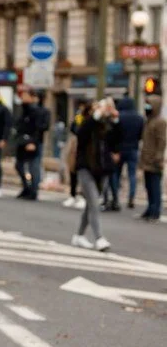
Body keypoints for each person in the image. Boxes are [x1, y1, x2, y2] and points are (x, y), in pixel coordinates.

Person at [71, 98, 119, 251]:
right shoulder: (84, 123)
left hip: (102, 169)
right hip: (86, 167)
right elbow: (82, 133)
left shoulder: (105, 125)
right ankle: (99, 238)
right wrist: (96, 115)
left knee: (91, 204)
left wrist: (115, 118)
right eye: (96, 107)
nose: (100, 110)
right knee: (94, 203)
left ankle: (78, 236)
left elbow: (117, 139)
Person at [108, 97, 144, 211]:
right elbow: (140, 135)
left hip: (120, 149)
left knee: (116, 174)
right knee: (132, 175)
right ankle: (131, 197)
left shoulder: (120, 117)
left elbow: (114, 132)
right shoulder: (139, 118)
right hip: (133, 148)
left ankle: (115, 197)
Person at [14, 88, 48, 200]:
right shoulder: (23, 109)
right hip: (22, 141)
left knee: (34, 167)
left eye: (25, 95)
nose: (22, 97)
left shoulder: (38, 110)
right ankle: (26, 188)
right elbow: (19, 124)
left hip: (33, 142)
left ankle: (33, 190)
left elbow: (39, 128)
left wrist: (33, 141)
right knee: (19, 165)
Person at [139, 95, 165, 222]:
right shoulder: (148, 121)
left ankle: (155, 211)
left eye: (149, 104)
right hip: (146, 159)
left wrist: (158, 157)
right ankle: (150, 208)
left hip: (154, 160)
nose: (147, 107)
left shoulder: (160, 122)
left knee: (155, 187)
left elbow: (162, 141)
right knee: (148, 186)